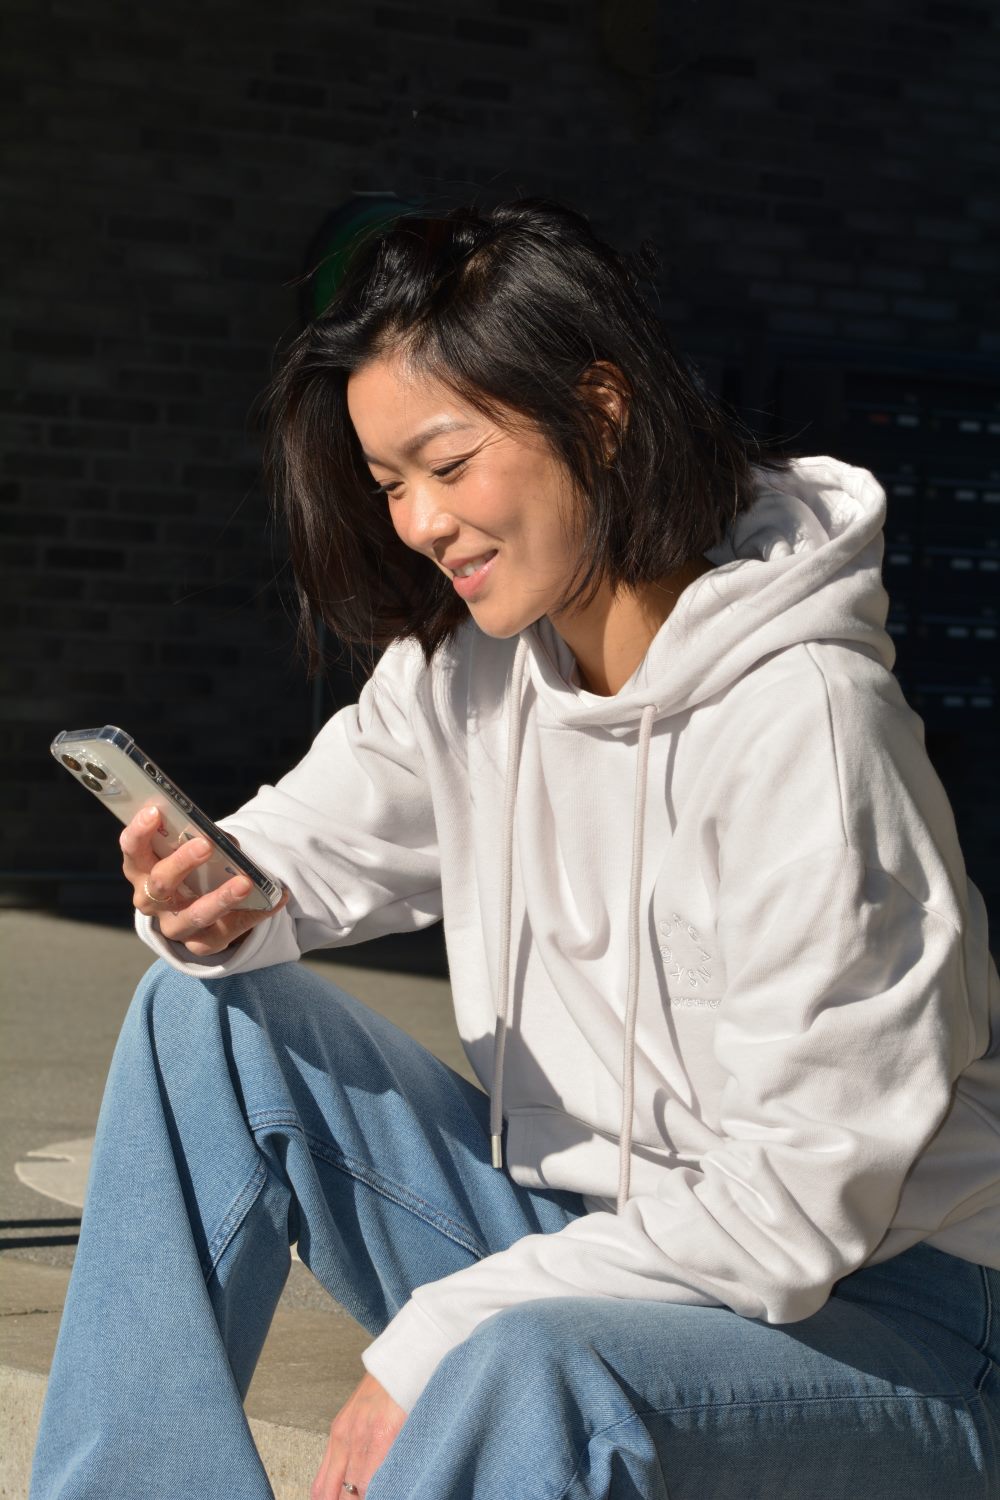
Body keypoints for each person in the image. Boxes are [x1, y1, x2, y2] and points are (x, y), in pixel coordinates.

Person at [30, 196, 1000, 1500]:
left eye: (446, 465)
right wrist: (211, 893)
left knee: (526, 1365)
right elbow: (305, 846)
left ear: (597, 411)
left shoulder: (809, 727)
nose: (420, 523)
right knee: (197, 1023)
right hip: (609, 1251)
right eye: (390, 485)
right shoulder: (475, 672)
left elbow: (794, 1210)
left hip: (900, 1324)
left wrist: (438, 1333)